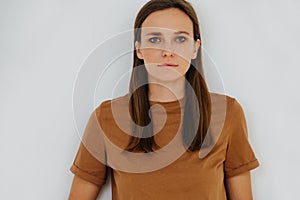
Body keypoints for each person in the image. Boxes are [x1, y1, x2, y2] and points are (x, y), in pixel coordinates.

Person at [68, 0, 259, 199]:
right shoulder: (105, 118)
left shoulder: (228, 113)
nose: (168, 51)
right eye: (155, 40)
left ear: (195, 48)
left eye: (180, 39)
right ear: (139, 49)